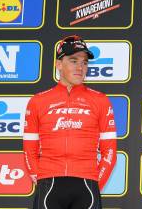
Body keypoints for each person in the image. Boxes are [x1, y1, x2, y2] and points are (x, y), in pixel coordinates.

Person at [23, 35, 117, 209]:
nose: (80, 67)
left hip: (87, 185)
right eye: (74, 61)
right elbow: (29, 150)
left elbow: (109, 151)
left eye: (84, 62)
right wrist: (41, 179)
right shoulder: (37, 101)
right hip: (49, 185)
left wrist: (95, 182)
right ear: (59, 65)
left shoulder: (101, 100)